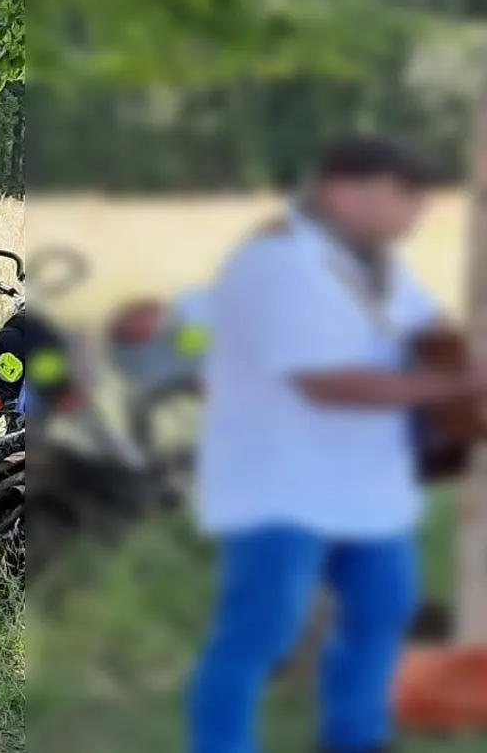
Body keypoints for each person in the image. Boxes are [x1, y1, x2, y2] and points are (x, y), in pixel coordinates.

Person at [186, 136, 487, 753]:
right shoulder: (276, 263)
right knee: (260, 634)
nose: (416, 211)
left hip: (367, 486)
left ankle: (355, 737)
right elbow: (328, 383)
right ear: (345, 192)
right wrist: (453, 387)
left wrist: (464, 367)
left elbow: (431, 328)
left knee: (382, 611)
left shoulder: (378, 267)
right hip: (279, 489)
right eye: (404, 195)